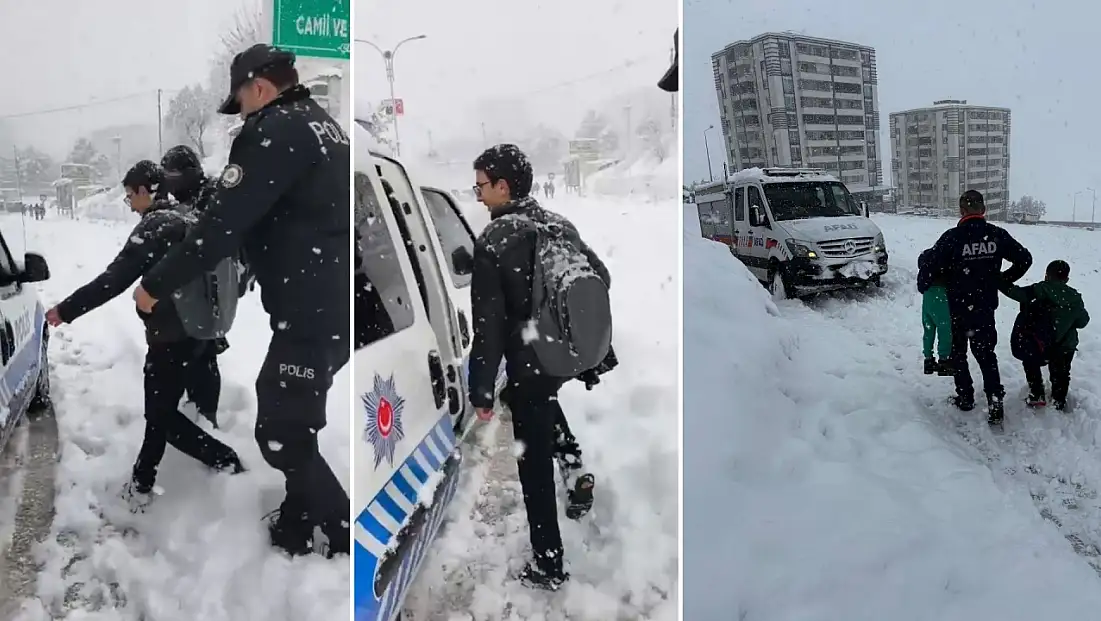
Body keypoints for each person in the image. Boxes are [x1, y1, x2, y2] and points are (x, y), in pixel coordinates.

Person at [132, 44, 351, 558]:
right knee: (293, 416)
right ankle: (296, 527)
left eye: (242, 100)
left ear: (259, 87)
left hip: (309, 310)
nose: (243, 113)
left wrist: (155, 284)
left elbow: (218, 230)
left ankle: (342, 534)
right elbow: (291, 215)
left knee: (278, 429)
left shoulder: (273, 131)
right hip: (334, 302)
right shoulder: (325, 126)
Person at [45, 160, 244, 512]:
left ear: (143, 191)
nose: (130, 204)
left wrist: (66, 310)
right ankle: (142, 482)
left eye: (129, 196)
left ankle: (226, 461)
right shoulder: (188, 216)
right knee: (162, 411)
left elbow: (114, 279)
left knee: (161, 416)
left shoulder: (157, 227)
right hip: (201, 332)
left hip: (172, 338)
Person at [468, 143, 611, 589]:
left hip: (530, 360)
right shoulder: (557, 223)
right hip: (562, 355)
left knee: (531, 466)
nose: (477, 196)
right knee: (539, 400)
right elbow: (601, 276)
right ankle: (573, 466)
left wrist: (480, 391)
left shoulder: (494, 240)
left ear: (503, 186)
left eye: (480, 187)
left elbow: (487, 329)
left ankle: (548, 563)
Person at [924, 189, 1032, 426]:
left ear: (962, 211)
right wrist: (1002, 279)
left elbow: (930, 267)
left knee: (959, 354)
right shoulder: (996, 235)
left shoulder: (951, 238)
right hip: (984, 308)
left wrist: (933, 282)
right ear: (983, 210)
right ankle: (995, 400)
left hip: (957, 308)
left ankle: (965, 397)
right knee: (986, 355)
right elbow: (1025, 258)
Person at [160, 144, 229, 429]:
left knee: (205, 350)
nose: (170, 184)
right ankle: (195, 404)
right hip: (191, 285)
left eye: (172, 177)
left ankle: (208, 414)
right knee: (192, 350)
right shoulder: (184, 197)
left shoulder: (210, 194)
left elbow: (205, 237)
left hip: (211, 284)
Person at [1003, 259, 1090, 411]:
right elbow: (1083, 322)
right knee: (1062, 373)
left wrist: (999, 282)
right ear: (1067, 278)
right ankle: (1058, 400)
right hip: (1065, 345)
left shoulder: (1041, 289)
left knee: (1030, 361)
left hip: (1041, 343)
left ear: (1047, 275)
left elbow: (1018, 294)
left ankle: (1037, 394)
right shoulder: (1075, 298)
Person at [916, 248, 952, 375]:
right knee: (945, 329)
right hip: (941, 297)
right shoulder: (944, 263)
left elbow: (920, 285)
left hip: (928, 297)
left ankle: (928, 360)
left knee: (928, 329)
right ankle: (944, 361)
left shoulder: (925, 266)